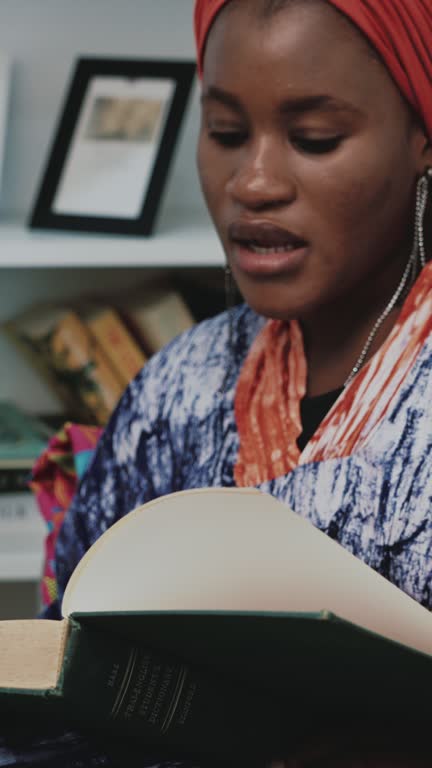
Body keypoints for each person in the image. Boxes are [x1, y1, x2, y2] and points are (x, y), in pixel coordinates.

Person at [2, 0, 432, 765]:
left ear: (421, 137)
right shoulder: (176, 387)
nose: (254, 182)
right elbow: (65, 665)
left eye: (314, 139)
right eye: (226, 133)